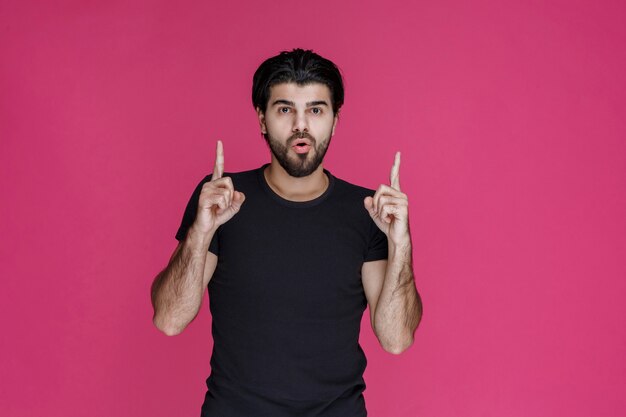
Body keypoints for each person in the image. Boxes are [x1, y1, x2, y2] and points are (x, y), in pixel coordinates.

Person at [151, 48, 423, 417]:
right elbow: (169, 320)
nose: (301, 125)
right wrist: (200, 232)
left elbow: (396, 340)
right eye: (284, 110)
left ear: (334, 120)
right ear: (262, 119)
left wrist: (401, 245)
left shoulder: (368, 212)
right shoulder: (221, 200)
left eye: (315, 110)